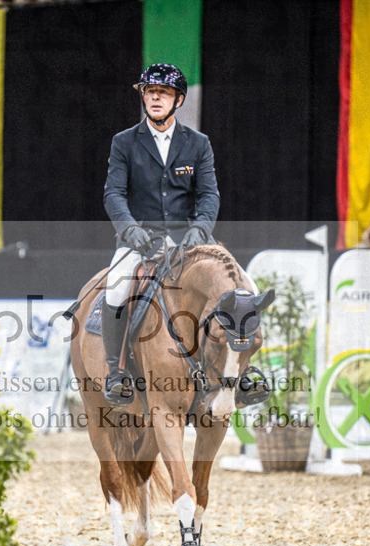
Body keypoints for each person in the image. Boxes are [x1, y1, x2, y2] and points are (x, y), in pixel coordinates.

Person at [101, 63, 220, 405]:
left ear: (178, 100)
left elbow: (209, 194)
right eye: (149, 91)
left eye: (163, 92)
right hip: (140, 239)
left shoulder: (198, 144)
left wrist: (200, 229)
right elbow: (113, 194)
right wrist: (131, 231)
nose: (155, 96)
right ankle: (116, 372)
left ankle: (244, 375)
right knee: (116, 287)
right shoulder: (124, 142)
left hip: (189, 240)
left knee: (241, 286)